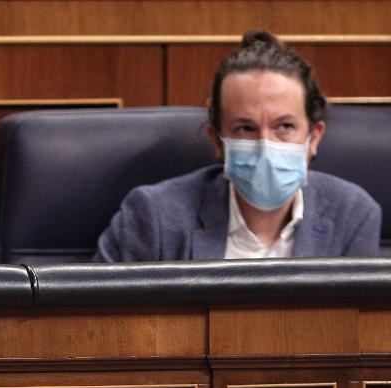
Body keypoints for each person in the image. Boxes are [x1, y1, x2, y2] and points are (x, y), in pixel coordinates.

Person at [96, 29, 381, 262]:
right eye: (246, 128)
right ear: (216, 141)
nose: (265, 146)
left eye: (284, 127)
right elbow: (100, 324)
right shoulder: (154, 216)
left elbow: (358, 328)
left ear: (314, 137)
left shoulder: (352, 214)